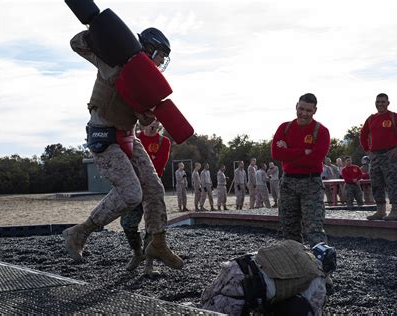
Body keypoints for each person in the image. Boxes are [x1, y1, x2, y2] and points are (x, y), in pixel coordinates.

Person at [62, 27, 183, 271]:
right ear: (150, 49)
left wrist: (148, 116)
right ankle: (79, 232)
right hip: (104, 134)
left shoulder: (147, 83)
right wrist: (106, 37)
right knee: (130, 193)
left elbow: (143, 119)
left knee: (154, 188)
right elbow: (76, 42)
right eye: (161, 55)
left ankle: (158, 242)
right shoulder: (112, 62)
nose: (162, 62)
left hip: (128, 136)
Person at [200, 240, 336, 316]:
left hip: (236, 265)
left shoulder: (296, 250)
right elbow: (312, 311)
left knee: (204, 307)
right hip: (245, 285)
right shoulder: (317, 276)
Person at [271, 93, 331, 246]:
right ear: (296, 107)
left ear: (315, 110)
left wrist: (289, 152)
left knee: (314, 230)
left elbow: (315, 160)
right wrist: (303, 151)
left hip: (311, 183)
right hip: (288, 182)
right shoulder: (284, 128)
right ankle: (296, 265)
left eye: (308, 110)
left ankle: (321, 266)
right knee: (289, 228)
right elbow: (276, 153)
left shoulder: (321, 131)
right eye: (301, 109)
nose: (304, 113)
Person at [119, 118, 170, 276]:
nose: (153, 124)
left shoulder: (164, 142)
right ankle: (137, 253)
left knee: (152, 227)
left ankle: (149, 264)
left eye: (156, 122)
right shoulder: (134, 138)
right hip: (133, 187)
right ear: (142, 123)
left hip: (151, 188)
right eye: (150, 121)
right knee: (127, 223)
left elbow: (158, 167)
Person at [360, 93, 397, 221]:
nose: (380, 104)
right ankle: (380, 211)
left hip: (390, 155)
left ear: (388, 103)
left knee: (393, 183)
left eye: (383, 102)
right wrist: (367, 150)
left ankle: (395, 211)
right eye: (378, 102)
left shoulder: (394, 117)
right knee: (376, 184)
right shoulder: (371, 119)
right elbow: (363, 134)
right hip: (375, 156)